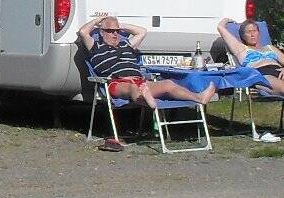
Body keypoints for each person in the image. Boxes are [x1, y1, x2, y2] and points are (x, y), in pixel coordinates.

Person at [78, 12, 207, 150]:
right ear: (102, 32)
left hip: (140, 81)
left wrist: (118, 25)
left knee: (168, 84)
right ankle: (148, 101)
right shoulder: (95, 47)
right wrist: (100, 20)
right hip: (116, 83)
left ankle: (199, 98)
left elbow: (142, 31)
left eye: (117, 31)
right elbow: (83, 31)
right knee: (133, 89)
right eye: (110, 31)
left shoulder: (126, 44)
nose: (115, 34)